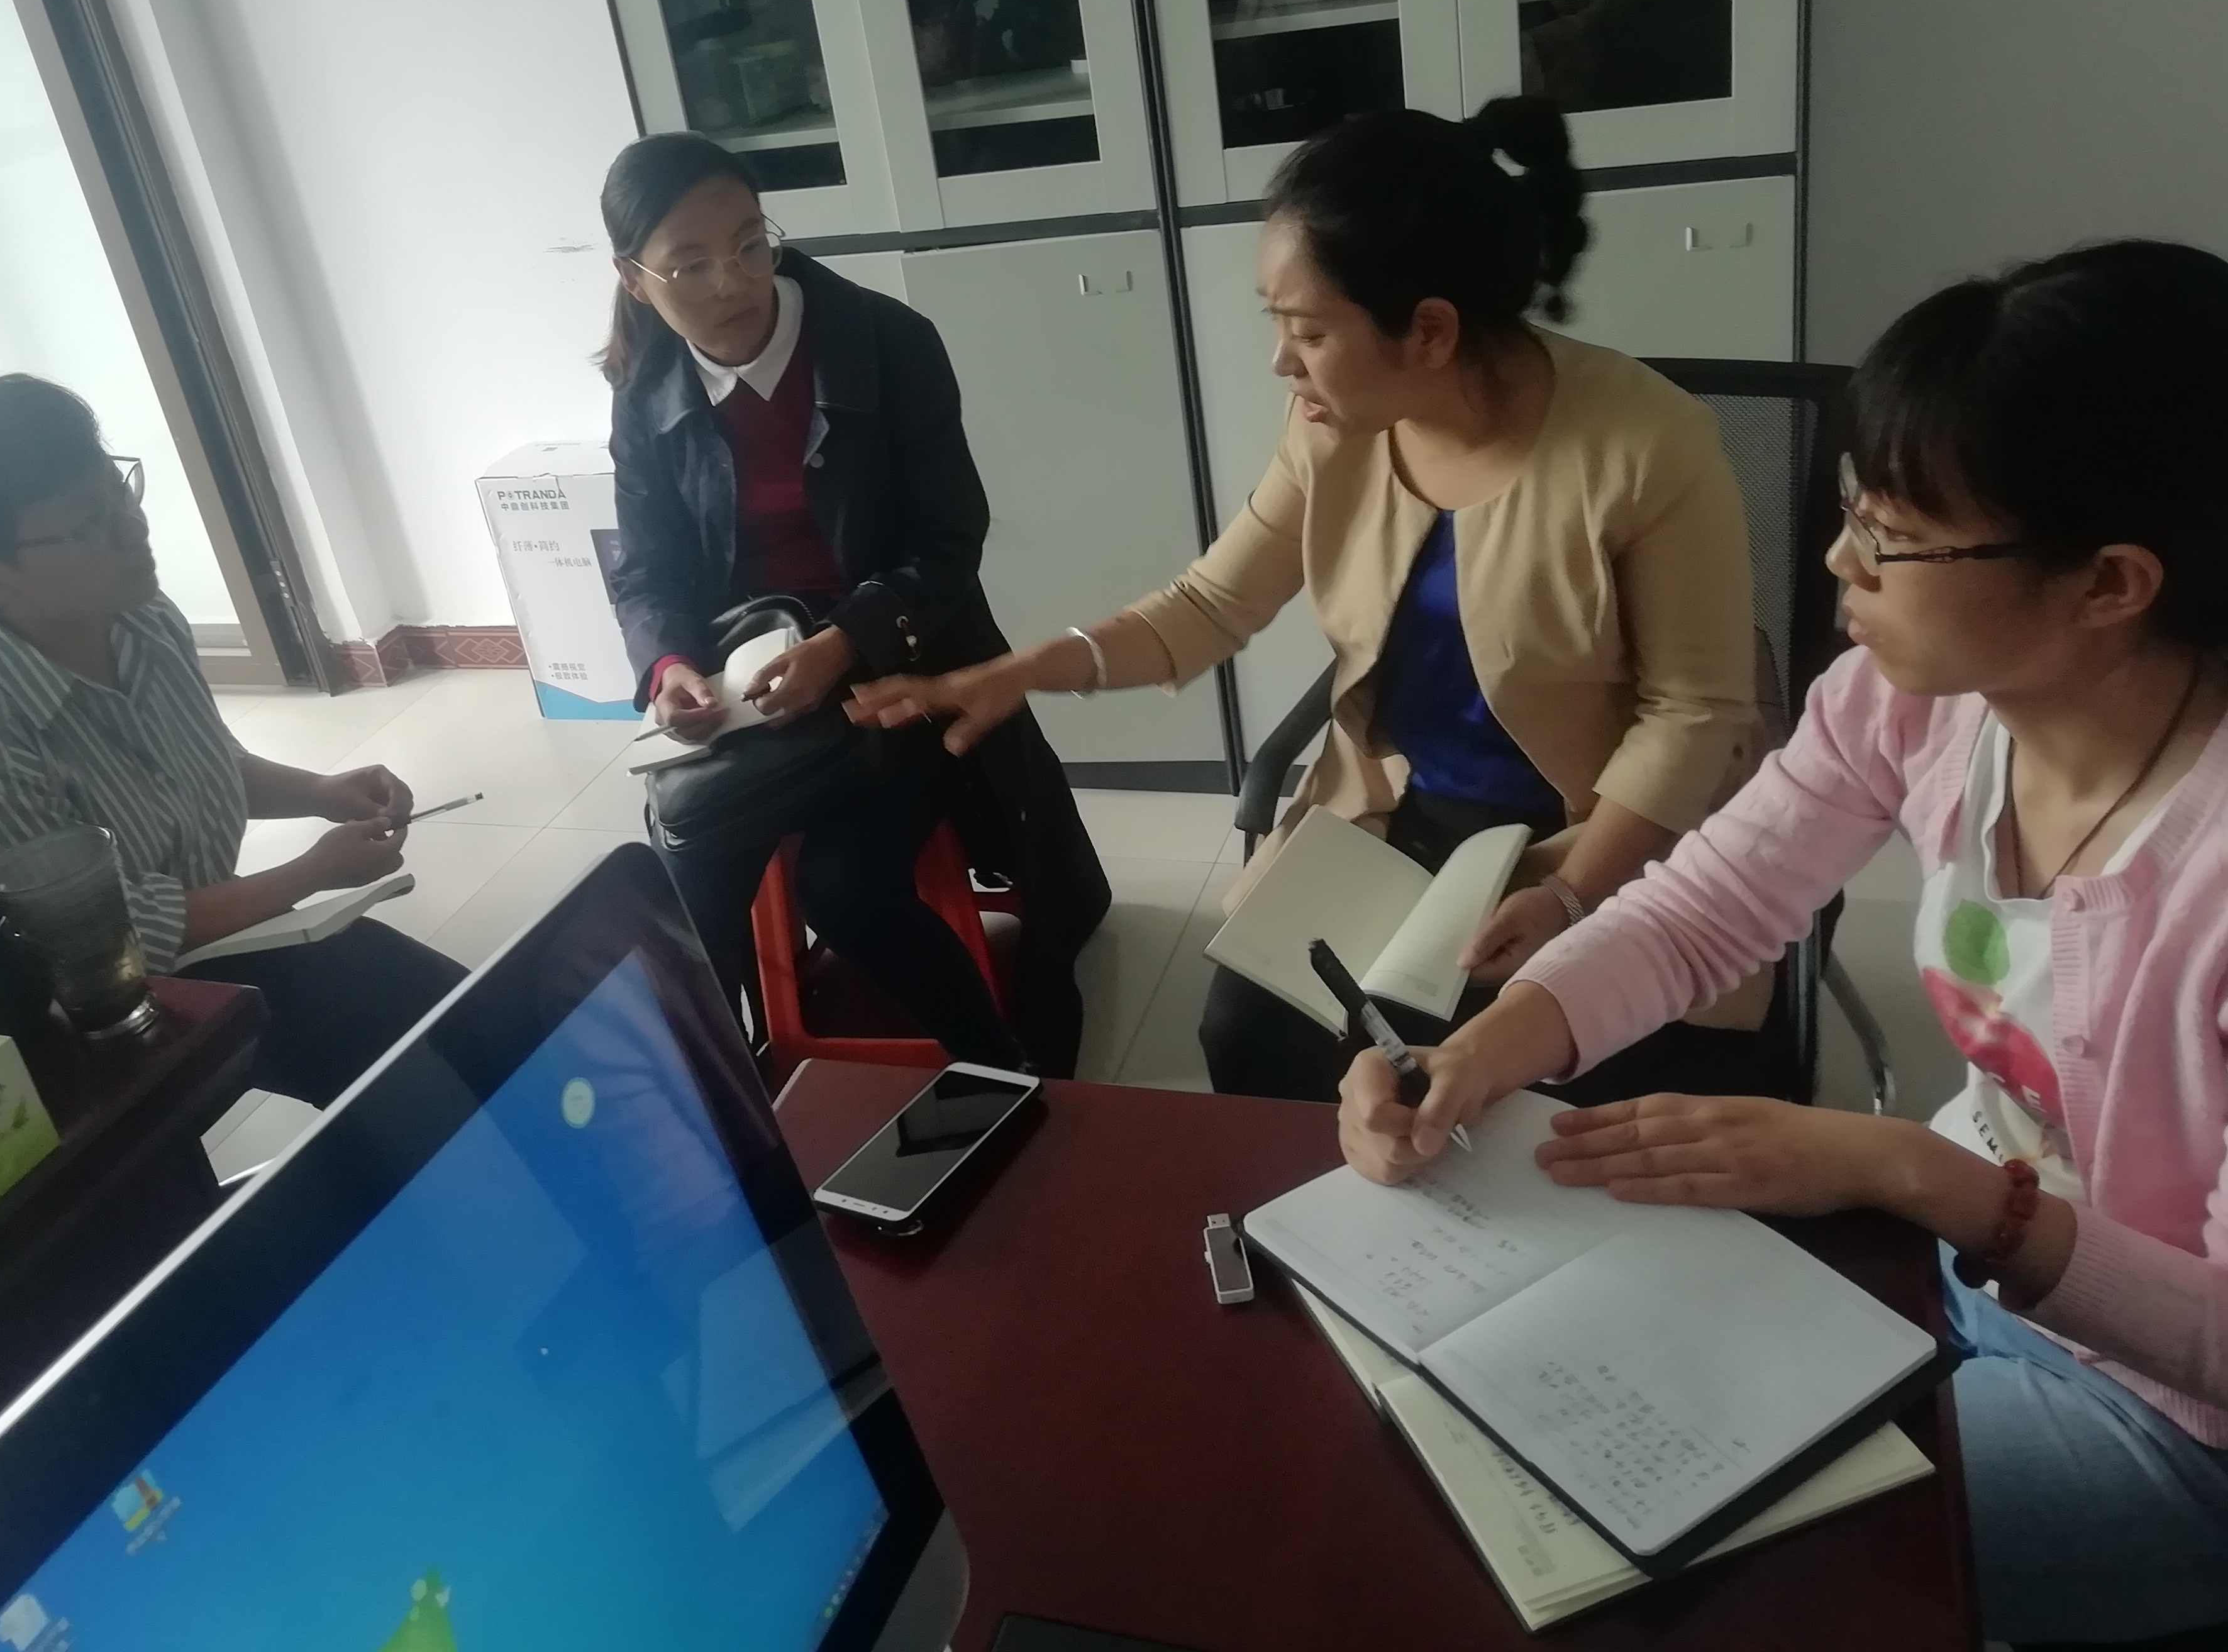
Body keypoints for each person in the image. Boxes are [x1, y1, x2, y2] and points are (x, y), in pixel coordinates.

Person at [1341, 241, 2228, 1645]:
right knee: (1570, 1421)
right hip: (1968, 1266)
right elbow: (1711, 903)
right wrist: (1486, 1050)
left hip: (2176, 1427)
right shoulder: (1913, 701)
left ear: (2108, 582)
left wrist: (1908, 1173)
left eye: (1892, 536)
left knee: (1697, 1553)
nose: (1836, 560)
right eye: (1851, 509)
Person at [851, 99, 1765, 1103]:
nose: (1282, 363)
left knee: (1523, 1090)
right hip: (1405, 817)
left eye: (1310, 331)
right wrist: (1022, 671)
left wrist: (1569, 894)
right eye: (1277, 325)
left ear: (1430, 331)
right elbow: (1211, 602)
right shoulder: (1333, 428)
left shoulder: (1649, 448)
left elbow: (1694, 713)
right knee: (1256, 1037)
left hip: (1600, 833)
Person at [601, 131, 1107, 1075]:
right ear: (635, 281)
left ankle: (1004, 1074)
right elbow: (645, 571)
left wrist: (843, 641)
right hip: (756, 688)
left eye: (749, 243)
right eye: (690, 264)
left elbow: (948, 544)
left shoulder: (887, 342)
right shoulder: (645, 394)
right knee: (685, 883)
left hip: (907, 667)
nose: (732, 281)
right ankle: (725, 1103)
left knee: (845, 887)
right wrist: (668, 668)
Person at [0, 373, 467, 1107]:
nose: (132, 527)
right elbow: (109, 940)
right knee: (404, 1060)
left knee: (469, 1015)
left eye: (118, 490)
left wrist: (318, 792)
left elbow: (194, 766)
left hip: (201, 947)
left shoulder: (133, 614)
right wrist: (309, 873)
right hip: (76, 1022)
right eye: (89, 524)